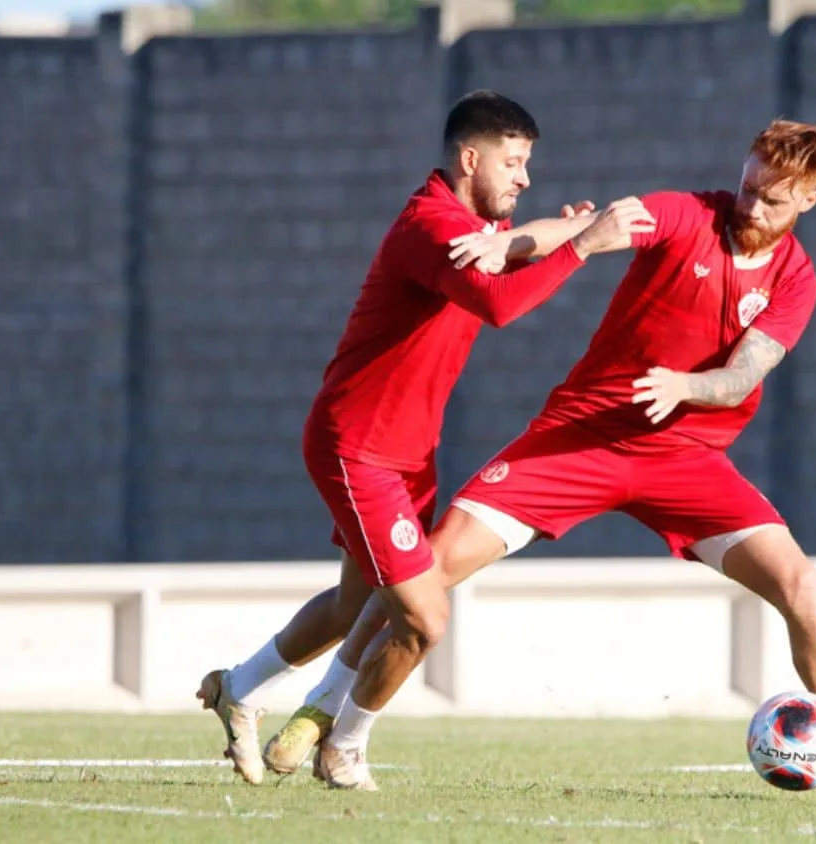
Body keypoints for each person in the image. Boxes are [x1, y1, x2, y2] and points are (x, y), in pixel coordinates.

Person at [286, 118, 816, 798]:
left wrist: (685, 388)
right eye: (749, 185)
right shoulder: (686, 212)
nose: (751, 206)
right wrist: (502, 245)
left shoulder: (795, 281)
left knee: (801, 589)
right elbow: (591, 232)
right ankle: (325, 710)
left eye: (773, 199)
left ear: (809, 201)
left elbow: (740, 378)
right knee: (425, 570)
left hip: (685, 458)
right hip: (578, 437)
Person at [195, 89, 656, 785]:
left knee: (357, 605)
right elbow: (499, 304)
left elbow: (509, 250)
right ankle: (343, 750)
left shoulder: (469, 226)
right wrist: (586, 244)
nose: (525, 176)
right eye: (514, 161)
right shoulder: (431, 225)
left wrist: (567, 231)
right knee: (425, 617)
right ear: (471, 159)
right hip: (359, 445)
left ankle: (241, 688)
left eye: (528, 162)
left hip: (408, 454)